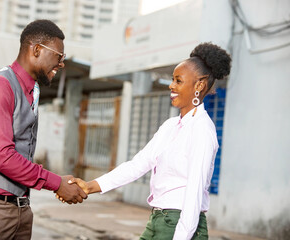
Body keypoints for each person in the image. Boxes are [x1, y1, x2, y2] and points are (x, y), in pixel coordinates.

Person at [65, 42, 231, 239]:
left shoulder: (202, 129)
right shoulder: (170, 126)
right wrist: (90, 186)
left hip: (181, 226)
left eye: (178, 81)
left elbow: (194, 192)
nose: (171, 85)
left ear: (199, 85)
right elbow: (137, 165)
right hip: (158, 221)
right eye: (172, 80)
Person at [0, 19, 87, 240]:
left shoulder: (31, 89)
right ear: (37, 50)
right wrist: (56, 183)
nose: (61, 63)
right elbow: (2, 157)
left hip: (19, 208)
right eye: (59, 56)